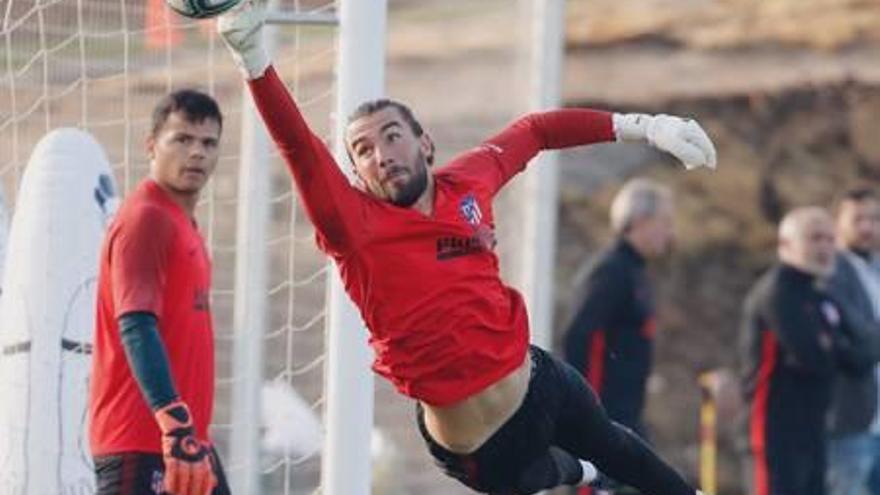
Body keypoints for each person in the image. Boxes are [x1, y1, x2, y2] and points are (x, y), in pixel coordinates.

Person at [218, 2, 715, 493]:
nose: (382, 155)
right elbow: (297, 147)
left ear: (425, 144)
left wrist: (645, 126)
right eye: (363, 151)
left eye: (392, 137)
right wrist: (254, 62)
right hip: (482, 449)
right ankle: (581, 472)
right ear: (356, 176)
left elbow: (537, 131)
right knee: (545, 474)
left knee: (618, 447)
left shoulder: (469, 181)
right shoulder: (354, 228)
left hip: (537, 380)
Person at [88, 90, 229, 495]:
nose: (197, 153)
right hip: (146, 443)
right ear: (151, 145)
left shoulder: (183, 224)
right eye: (182, 139)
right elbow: (135, 324)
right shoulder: (146, 218)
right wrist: (175, 423)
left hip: (189, 447)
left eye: (208, 143)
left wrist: (191, 438)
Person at [739, 207, 876, 495]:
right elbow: (816, 358)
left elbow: (858, 358)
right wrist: (841, 347)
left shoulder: (819, 293)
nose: (825, 247)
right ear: (786, 245)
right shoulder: (779, 291)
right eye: (815, 239)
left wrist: (841, 347)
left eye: (829, 239)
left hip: (814, 430)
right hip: (774, 434)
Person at [563, 178, 673, 438]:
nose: (670, 232)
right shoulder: (610, 271)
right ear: (640, 221)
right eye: (664, 222)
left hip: (627, 418)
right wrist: (589, 416)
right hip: (604, 423)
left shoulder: (635, 271)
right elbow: (580, 338)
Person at [826, 188, 880, 495]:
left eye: (874, 219)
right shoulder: (830, 271)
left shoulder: (876, 269)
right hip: (849, 424)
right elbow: (853, 342)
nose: (867, 227)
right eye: (858, 219)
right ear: (838, 223)